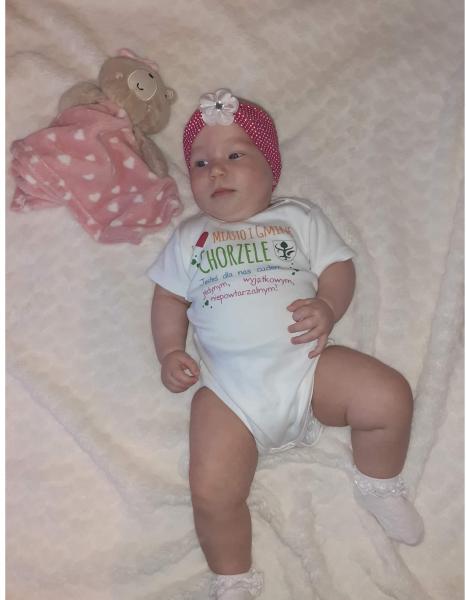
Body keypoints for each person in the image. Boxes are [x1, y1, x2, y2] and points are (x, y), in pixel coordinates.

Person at [147, 89, 423, 600]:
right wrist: (169, 351)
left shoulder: (297, 218)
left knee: (388, 396)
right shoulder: (189, 238)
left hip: (310, 366)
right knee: (210, 490)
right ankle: (233, 576)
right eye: (201, 163)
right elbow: (168, 299)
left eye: (235, 155)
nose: (216, 171)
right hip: (230, 393)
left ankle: (379, 481)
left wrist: (328, 307)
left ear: (270, 170)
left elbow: (338, 268)